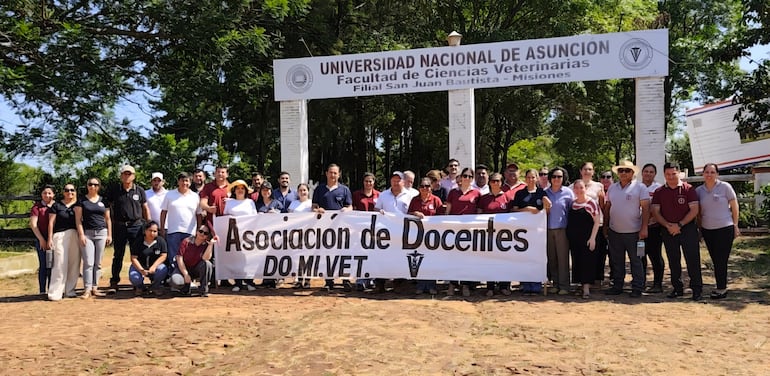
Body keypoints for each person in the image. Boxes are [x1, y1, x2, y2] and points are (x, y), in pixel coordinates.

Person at [651, 162, 702, 301]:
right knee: (673, 260)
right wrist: (668, 225)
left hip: (687, 229)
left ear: (678, 173)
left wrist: (679, 225)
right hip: (668, 230)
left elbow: (695, 210)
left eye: (673, 174)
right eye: (668, 174)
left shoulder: (688, 189)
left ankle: (696, 289)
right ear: (664, 174)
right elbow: (655, 212)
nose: (671, 177)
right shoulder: (659, 192)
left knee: (692, 259)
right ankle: (677, 288)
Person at [603, 160, 649, 298]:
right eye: (621, 170)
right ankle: (617, 286)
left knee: (636, 260)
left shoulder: (640, 188)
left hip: (634, 231)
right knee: (617, 260)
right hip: (615, 231)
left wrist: (644, 227)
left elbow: (646, 209)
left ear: (633, 172)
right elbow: (608, 208)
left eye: (627, 170)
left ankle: (637, 287)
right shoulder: (612, 188)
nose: (623, 173)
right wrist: (605, 225)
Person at [696, 163, 740, 299]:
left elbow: (734, 205)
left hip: (725, 228)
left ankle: (721, 288)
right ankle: (720, 284)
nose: (709, 175)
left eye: (712, 172)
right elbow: (698, 212)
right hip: (708, 229)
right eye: (707, 172)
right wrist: (700, 228)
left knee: (721, 259)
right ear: (703, 174)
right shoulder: (699, 191)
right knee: (715, 259)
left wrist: (735, 224)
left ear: (717, 174)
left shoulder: (725, 187)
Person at [105, 165, 150, 293]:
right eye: (125, 174)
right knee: (118, 255)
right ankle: (114, 281)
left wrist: (149, 224)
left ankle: (137, 282)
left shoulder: (139, 190)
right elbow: (108, 208)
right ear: (121, 176)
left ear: (134, 176)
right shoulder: (114, 190)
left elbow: (145, 208)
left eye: (129, 174)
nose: (127, 176)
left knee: (136, 254)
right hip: (119, 226)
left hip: (136, 225)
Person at [312, 163, 353, 291]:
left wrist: (347, 209)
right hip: (324, 227)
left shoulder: (345, 190)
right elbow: (314, 206)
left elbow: (350, 206)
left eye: (335, 173)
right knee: (327, 253)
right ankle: (329, 281)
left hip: (341, 227)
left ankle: (345, 280)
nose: (333, 175)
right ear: (326, 173)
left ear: (339, 174)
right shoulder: (319, 189)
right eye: (331, 172)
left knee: (343, 252)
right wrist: (318, 210)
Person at [512, 169, 550, 295]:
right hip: (522, 232)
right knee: (524, 257)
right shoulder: (519, 193)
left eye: (533, 177)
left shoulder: (542, 193)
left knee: (537, 258)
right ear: (525, 178)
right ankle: (525, 284)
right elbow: (514, 210)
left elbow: (547, 211)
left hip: (538, 232)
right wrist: (526, 209)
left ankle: (536, 285)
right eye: (528, 177)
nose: (530, 180)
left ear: (537, 178)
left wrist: (546, 205)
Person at [373, 171, 412, 293]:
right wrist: (379, 213)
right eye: (393, 180)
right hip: (385, 232)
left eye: (398, 180)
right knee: (383, 257)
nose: (396, 182)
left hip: (403, 231)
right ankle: (380, 283)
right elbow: (376, 209)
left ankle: (399, 283)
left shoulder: (411, 195)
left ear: (403, 182)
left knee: (401, 257)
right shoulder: (383, 195)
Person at [445, 167, 481, 296]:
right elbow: (447, 210)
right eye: (465, 176)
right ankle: (452, 284)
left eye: (470, 176)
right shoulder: (453, 192)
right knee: (453, 258)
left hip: (469, 231)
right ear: (460, 178)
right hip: (454, 230)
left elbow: (479, 212)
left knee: (467, 258)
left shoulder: (477, 193)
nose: (467, 178)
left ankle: (465, 284)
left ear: (472, 179)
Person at [570, 162, 607, 289]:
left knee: (597, 254)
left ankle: (597, 280)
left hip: (596, 223)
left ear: (593, 171)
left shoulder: (599, 186)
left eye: (590, 169)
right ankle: (582, 282)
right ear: (581, 171)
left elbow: (602, 205)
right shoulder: (572, 186)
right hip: (579, 224)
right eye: (585, 169)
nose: (587, 171)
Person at [74, 178, 112, 298]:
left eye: (95, 184)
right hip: (87, 234)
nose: (92, 186)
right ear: (87, 186)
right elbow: (78, 220)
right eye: (90, 184)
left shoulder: (103, 201)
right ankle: (87, 289)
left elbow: (107, 219)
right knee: (88, 262)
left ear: (99, 187)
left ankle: (95, 288)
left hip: (102, 233)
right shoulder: (82, 201)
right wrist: (81, 235)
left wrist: (109, 234)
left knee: (98, 263)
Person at [477, 173, 513, 296]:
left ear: (502, 183)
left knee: (504, 260)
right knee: (490, 261)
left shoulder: (507, 198)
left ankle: (504, 286)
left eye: (498, 181)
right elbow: (479, 215)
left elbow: (513, 215)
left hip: (504, 235)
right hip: (488, 234)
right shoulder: (484, 198)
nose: (495, 183)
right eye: (493, 181)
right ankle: (490, 287)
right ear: (489, 183)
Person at [408, 177, 443, 295]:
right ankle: (421, 285)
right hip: (417, 236)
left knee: (432, 260)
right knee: (420, 260)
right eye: (422, 186)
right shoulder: (414, 200)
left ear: (431, 187)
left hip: (433, 236)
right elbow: (407, 214)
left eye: (427, 186)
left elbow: (442, 217)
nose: (425, 188)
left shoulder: (436, 200)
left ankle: (432, 285)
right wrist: (415, 213)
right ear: (419, 188)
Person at [566, 179, 601, 299]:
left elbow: (597, 221)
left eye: (581, 188)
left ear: (585, 189)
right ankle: (579, 285)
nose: (579, 190)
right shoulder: (573, 203)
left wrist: (593, 238)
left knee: (587, 262)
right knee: (577, 261)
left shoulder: (591, 203)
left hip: (587, 238)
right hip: (575, 239)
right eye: (576, 188)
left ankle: (586, 288)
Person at [46, 183, 81, 301]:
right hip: (60, 236)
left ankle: (70, 290)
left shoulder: (78, 205)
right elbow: (51, 223)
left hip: (75, 235)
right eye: (67, 190)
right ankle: (55, 292)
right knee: (60, 264)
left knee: (74, 263)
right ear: (63, 192)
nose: (69, 192)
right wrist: (49, 238)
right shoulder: (57, 205)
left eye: (72, 190)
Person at [160, 172, 200, 271]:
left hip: (190, 232)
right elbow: (163, 212)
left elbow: (198, 214)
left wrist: (198, 229)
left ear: (190, 182)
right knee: (173, 256)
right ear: (178, 181)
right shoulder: (169, 194)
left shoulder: (195, 196)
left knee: (187, 256)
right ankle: (174, 278)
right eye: (182, 180)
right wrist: (162, 228)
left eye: (187, 181)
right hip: (173, 231)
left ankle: (188, 278)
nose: (184, 183)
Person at [223, 178, 258, 291]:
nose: (240, 190)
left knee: (248, 258)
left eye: (242, 188)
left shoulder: (250, 202)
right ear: (234, 190)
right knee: (236, 259)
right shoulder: (229, 202)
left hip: (248, 235)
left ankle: (249, 282)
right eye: (238, 188)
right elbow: (225, 218)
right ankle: (237, 283)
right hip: (234, 236)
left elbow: (255, 217)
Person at [199, 165, 230, 288]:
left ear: (226, 174)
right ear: (214, 174)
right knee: (211, 251)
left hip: (228, 225)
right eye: (218, 172)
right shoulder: (208, 187)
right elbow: (202, 203)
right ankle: (212, 279)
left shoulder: (231, 188)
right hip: (212, 224)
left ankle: (225, 279)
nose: (220, 174)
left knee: (226, 252)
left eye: (223, 172)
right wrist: (208, 208)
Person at [544, 167, 574, 295]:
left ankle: (564, 286)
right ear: (550, 178)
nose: (556, 179)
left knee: (563, 259)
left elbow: (572, 211)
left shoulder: (568, 192)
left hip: (562, 230)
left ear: (563, 178)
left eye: (559, 177)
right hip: (547, 230)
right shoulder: (545, 193)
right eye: (554, 176)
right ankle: (555, 284)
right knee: (552, 258)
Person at [169, 225, 216, 297]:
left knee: (208, 264)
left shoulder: (206, 245)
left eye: (205, 233)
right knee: (176, 282)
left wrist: (211, 244)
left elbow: (205, 259)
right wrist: (185, 274)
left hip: (196, 269)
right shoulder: (186, 241)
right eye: (201, 231)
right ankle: (185, 286)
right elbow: (179, 258)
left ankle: (203, 290)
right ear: (196, 232)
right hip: (183, 268)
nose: (202, 234)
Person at [351, 173, 379, 290]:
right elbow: (352, 209)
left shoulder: (379, 195)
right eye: (366, 181)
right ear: (363, 182)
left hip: (375, 229)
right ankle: (361, 278)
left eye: (370, 181)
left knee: (373, 253)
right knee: (361, 253)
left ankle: (372, 278)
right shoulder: (356, 195)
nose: (368, 183)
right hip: (360, 229)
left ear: (374, 182)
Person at [640, 163, 664, 293]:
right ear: (642, 173)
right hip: (638, 228)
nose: (648, 174)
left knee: (655, 256)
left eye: (651, 172)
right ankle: (640, 282)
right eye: (646, 171)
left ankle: (657, 284)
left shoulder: (659, 188)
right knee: (640, 255)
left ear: (655, 174)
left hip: (654, 228)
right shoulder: (637, 187)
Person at [129, 221, 168, 296]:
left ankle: (155, 287)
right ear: (145, 231)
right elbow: (133, 258)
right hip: (141, 266)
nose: (152, 233)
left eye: (155, 231)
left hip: (154, 267)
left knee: (162, 269)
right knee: (134, 276)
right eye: (150, 230)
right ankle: (140, 287)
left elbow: (163, 255)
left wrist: (154, 267)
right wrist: (141, 270)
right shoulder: (138, 241)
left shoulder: (161, 241)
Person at [29, 185, 55, 295]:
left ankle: (52, 289)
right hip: (41, 240)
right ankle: (42, 291)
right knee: (44, 265)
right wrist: (41, 240)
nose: (47, 195)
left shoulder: (56, 206)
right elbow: (33, 225)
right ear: (41, 195)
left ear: (53, 195)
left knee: (54, 266)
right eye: (45, 193)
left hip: (55, 240)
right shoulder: (36, 207)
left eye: (49, 193)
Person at [288, 183, 313, 289]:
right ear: (297, 192)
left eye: (304, 190)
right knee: (296, 257)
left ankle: (307, 280)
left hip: (309, 233)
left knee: (307, 257)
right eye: (300, 190)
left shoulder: (311, 203)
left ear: (308, 191)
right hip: (295, 234)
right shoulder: (293, 204)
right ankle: (298, 279)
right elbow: (287, 217)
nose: (302, 192)